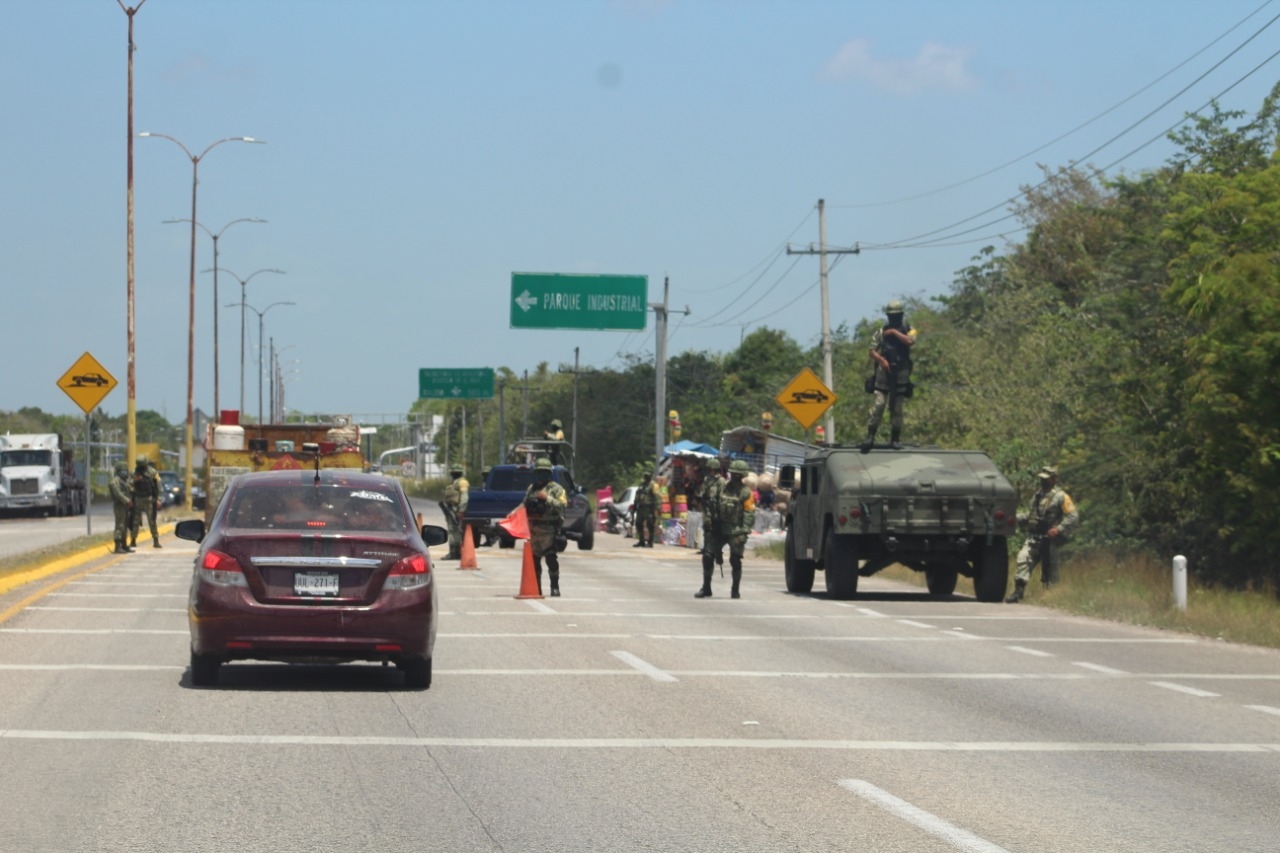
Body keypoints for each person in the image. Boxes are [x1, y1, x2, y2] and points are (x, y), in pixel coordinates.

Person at [1006, 466, 1079, 603]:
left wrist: (1058, 529)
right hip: (1034, 537)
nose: (1042, 481)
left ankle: (1052, 596)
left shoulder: (1061, 496)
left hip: (1050, 539)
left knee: (1051, 568)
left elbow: (1073, 516)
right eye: (1041, 478)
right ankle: (1018, 591)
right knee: (1023, 559)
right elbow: (1032, 515)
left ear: (1053, 479)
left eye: (1046, 479)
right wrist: (1016, 518)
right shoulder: (1037, 496)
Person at [861, 299, 918, 452]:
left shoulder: (909, 329)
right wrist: (881, 360)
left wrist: (893, 332)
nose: (894, 319)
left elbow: (909, 341)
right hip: (884, 374)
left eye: (897, 316)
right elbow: (872, 350)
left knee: (897, 407)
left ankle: (895, 438)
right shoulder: (881, 332)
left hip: (901, 373)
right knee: (879, 405)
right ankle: (870, 436)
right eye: (892, 316)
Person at [696, 459, 756, 599]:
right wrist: (710, 521)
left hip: (736, 531)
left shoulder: (746, 492)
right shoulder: (723, 488)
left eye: (738, 475)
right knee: (707, 556)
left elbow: (749, 513)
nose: (735, 477)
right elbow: (713, 504)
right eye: (733, 474)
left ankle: (735, 590)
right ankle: (706, 588)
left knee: (735, 560)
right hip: (720, 528)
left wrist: (745, 531)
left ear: (742, 476)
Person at [523, 457, 567, 596]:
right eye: (539, 472)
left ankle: (555, 586)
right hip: (534, 529)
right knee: (534, 561)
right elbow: (524, 504)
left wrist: (546, 498)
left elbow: (562, 506)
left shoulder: (556, 489)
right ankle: (536, 587)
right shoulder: (531, 488)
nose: (541, 476)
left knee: (551, 559)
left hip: (549, 529)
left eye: (544, 472)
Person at [129, 454, 162, 548]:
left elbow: (158, 486)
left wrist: (158, 499)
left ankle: (156, 540)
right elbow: (129, 486)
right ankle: (133, 540)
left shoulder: (152, 472)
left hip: (149, 499)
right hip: (138, 499)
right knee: (135, 521)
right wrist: (135, 481)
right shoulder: (134, 473)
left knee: (152, 521)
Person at [442, 463, 469, 560]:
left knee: (455, 532)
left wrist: (461, 510)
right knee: (452, 532)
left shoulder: (462, 482)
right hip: (451, 509)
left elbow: (464, 497)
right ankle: (454, 552)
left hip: (456, 510)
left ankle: (455, 553)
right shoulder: (454, 482)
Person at [109, 461, 134, 554]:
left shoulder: (125, 480)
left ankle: (124, 545)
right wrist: (127, 501)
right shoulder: (115, 481)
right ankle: (117, 546)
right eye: (122, 470)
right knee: (120, 526)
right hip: (120, 506)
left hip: (126, 507)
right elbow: (118, 494)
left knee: (125, 526)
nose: (125, 472)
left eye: (125, 470)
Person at [632, 471, 660, 548]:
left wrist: (656, 509)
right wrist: (634, 505)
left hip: (649, 508)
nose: (646, 478)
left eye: (647, 476)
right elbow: (637, 495)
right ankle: (641, 541)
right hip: (640, 507)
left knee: (650, 525)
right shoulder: (642, 484)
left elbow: (657, 498)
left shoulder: (654, 485)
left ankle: (650, 542)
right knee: (638, 524)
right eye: (645, 476)